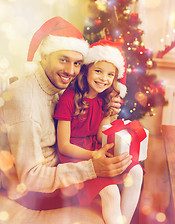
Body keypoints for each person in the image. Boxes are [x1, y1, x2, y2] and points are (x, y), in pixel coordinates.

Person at [0, 17, 132, 222]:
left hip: (61, 168)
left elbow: (82, 118)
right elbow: (30, 177)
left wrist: (109, 110)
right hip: (33, 192)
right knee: (111, 188)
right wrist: (91, 168)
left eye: (77, 63)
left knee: (130, 170)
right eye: (63, 59)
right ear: (44, 57)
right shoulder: (26, 101)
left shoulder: (59, 87)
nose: (71, 71)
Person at [54, 40, 144, 224]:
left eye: (110, 74)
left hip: (95, 147)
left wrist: (107, 116)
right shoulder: (69, 98)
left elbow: (99, 137)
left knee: (136, 171)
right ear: (86, 70)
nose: (104, 78)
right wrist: (94, 155)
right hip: (76, 155)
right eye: (98, 71)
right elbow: (63, 146)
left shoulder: (103, 98)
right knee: (111, 193)